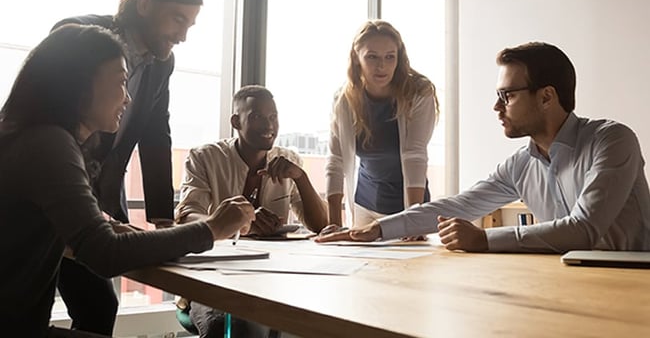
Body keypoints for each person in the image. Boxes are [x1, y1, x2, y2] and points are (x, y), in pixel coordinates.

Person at [0, 24, 254, 337]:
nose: (128, 98)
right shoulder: (49, 144)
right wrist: (213, 227)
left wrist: (104, 225)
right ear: (79, 86)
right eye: (121, 82)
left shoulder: (25, 136)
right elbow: (104, 252)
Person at [318, 41, 650, 253]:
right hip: (568, 287)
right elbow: (458, 206)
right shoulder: (521, 164)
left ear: (547, 96)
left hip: (634, 289)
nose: (496, 107)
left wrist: (484, 239)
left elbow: (583, 230)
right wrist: (376, 230)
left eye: (507, 95)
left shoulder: (612, 140)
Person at [51, 0, 203, 334]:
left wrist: (163, 217)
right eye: (177, 20)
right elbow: (53, 122)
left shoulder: (162, 62)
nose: (182, 36)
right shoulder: (80, 37)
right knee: (36, 293)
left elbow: (155, 132)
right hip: (54, 188)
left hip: (99, 197)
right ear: (145, 4)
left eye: (190, 25)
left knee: (99, 303)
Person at [175, 85, 329, 337]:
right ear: (236, 121)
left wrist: (301, 178)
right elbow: (187, 217)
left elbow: (321, 225)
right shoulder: (205, 157)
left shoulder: (288, 160)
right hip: (216, 278)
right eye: (257, 117)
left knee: (313, 321)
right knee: (233, 328)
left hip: (276, 276)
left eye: (273, 117)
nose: (269, 126)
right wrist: (237, 222)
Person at [324, 20, 439, 231]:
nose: (382, 66)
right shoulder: (344, 100)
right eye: (372, 57)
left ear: (399, 58)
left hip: (408, 204)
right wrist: (334, 224)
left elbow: (415, 154)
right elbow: (336, 161)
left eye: (389, 57)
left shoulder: (419, 92)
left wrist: (413, 218)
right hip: (365, 206)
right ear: (356, 58)